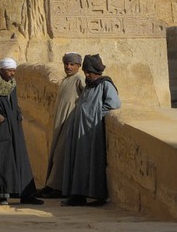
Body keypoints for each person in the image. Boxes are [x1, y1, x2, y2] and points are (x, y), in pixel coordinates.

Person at [0, 57, 44, 205]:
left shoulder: (11, 84)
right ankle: (3, 195)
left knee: (20, 160)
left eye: (14, 71)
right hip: (1, 129)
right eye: (10, 71)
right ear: (1, 70)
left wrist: (17, 113)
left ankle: (26, 195)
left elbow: (13, 103)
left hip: (14, 128)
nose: (12, 74)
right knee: (2, 161)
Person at [61, 54, 122, 207]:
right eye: (86, 72)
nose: (87, 75)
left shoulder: (105, 84)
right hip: (81, 131)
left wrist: (95, 115)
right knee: (78, 162)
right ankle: (78, 195)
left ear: (97, 72)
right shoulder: (89, 85)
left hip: (92, 133)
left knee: (92, 163)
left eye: (90, 72)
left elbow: (113, 104)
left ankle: (94, 195)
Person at [40, 52, 86, 197]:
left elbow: (87, 96)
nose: (68, 67)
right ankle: (50, 185)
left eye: (72, 64)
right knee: (55, 154)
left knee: (60, 155)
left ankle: (58, 188)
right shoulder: (66, 80)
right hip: (59, 123)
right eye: (66, 64)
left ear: (79, 66)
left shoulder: (79, 79)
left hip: (69, 122)